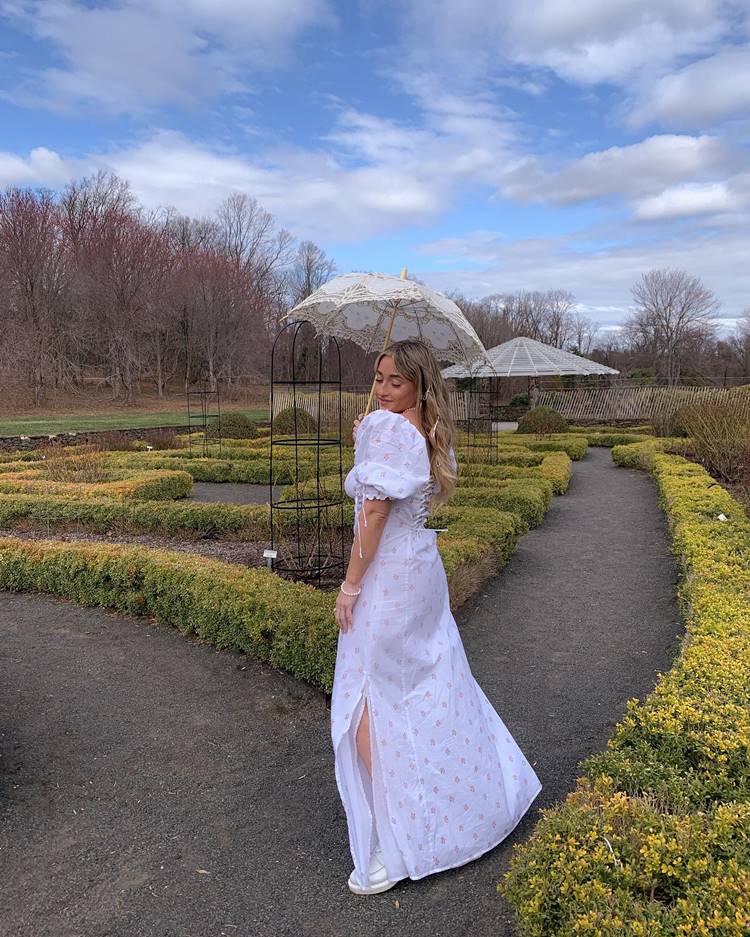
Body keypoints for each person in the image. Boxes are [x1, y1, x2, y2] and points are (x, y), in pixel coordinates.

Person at [331, 339, 542, 895]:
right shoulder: (427, 431)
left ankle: (400, 828)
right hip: (421, 573)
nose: (381, 390)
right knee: (430, 684)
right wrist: (371, 430)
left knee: (367, 695)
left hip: (387, 581)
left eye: (394, 382)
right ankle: (467, 805)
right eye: (378, 378)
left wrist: (351, 584)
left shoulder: (388, 429)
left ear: (418, 385)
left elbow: (374, 514)